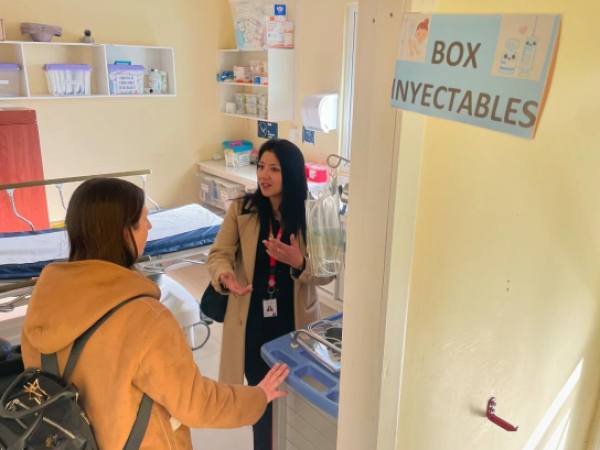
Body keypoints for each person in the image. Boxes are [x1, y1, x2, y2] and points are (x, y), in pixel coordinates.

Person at [21, 177, 289, 449]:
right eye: (143, 219)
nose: (149, 226)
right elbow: (195, 403)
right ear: (124, 232)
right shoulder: (146, 318)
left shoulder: (46, 300)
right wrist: (257, 397)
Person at [207, 139, 334, 450]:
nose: (264, 175)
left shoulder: (314, 213)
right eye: (261, 166)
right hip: (253, 323)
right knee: (261, 401)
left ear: (290, 173)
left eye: (274, 169)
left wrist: (300, 262)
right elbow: (219, 254)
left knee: (296, 400)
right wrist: (224, 275)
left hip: (295, 325)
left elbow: (328, 272)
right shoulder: (243, 209)